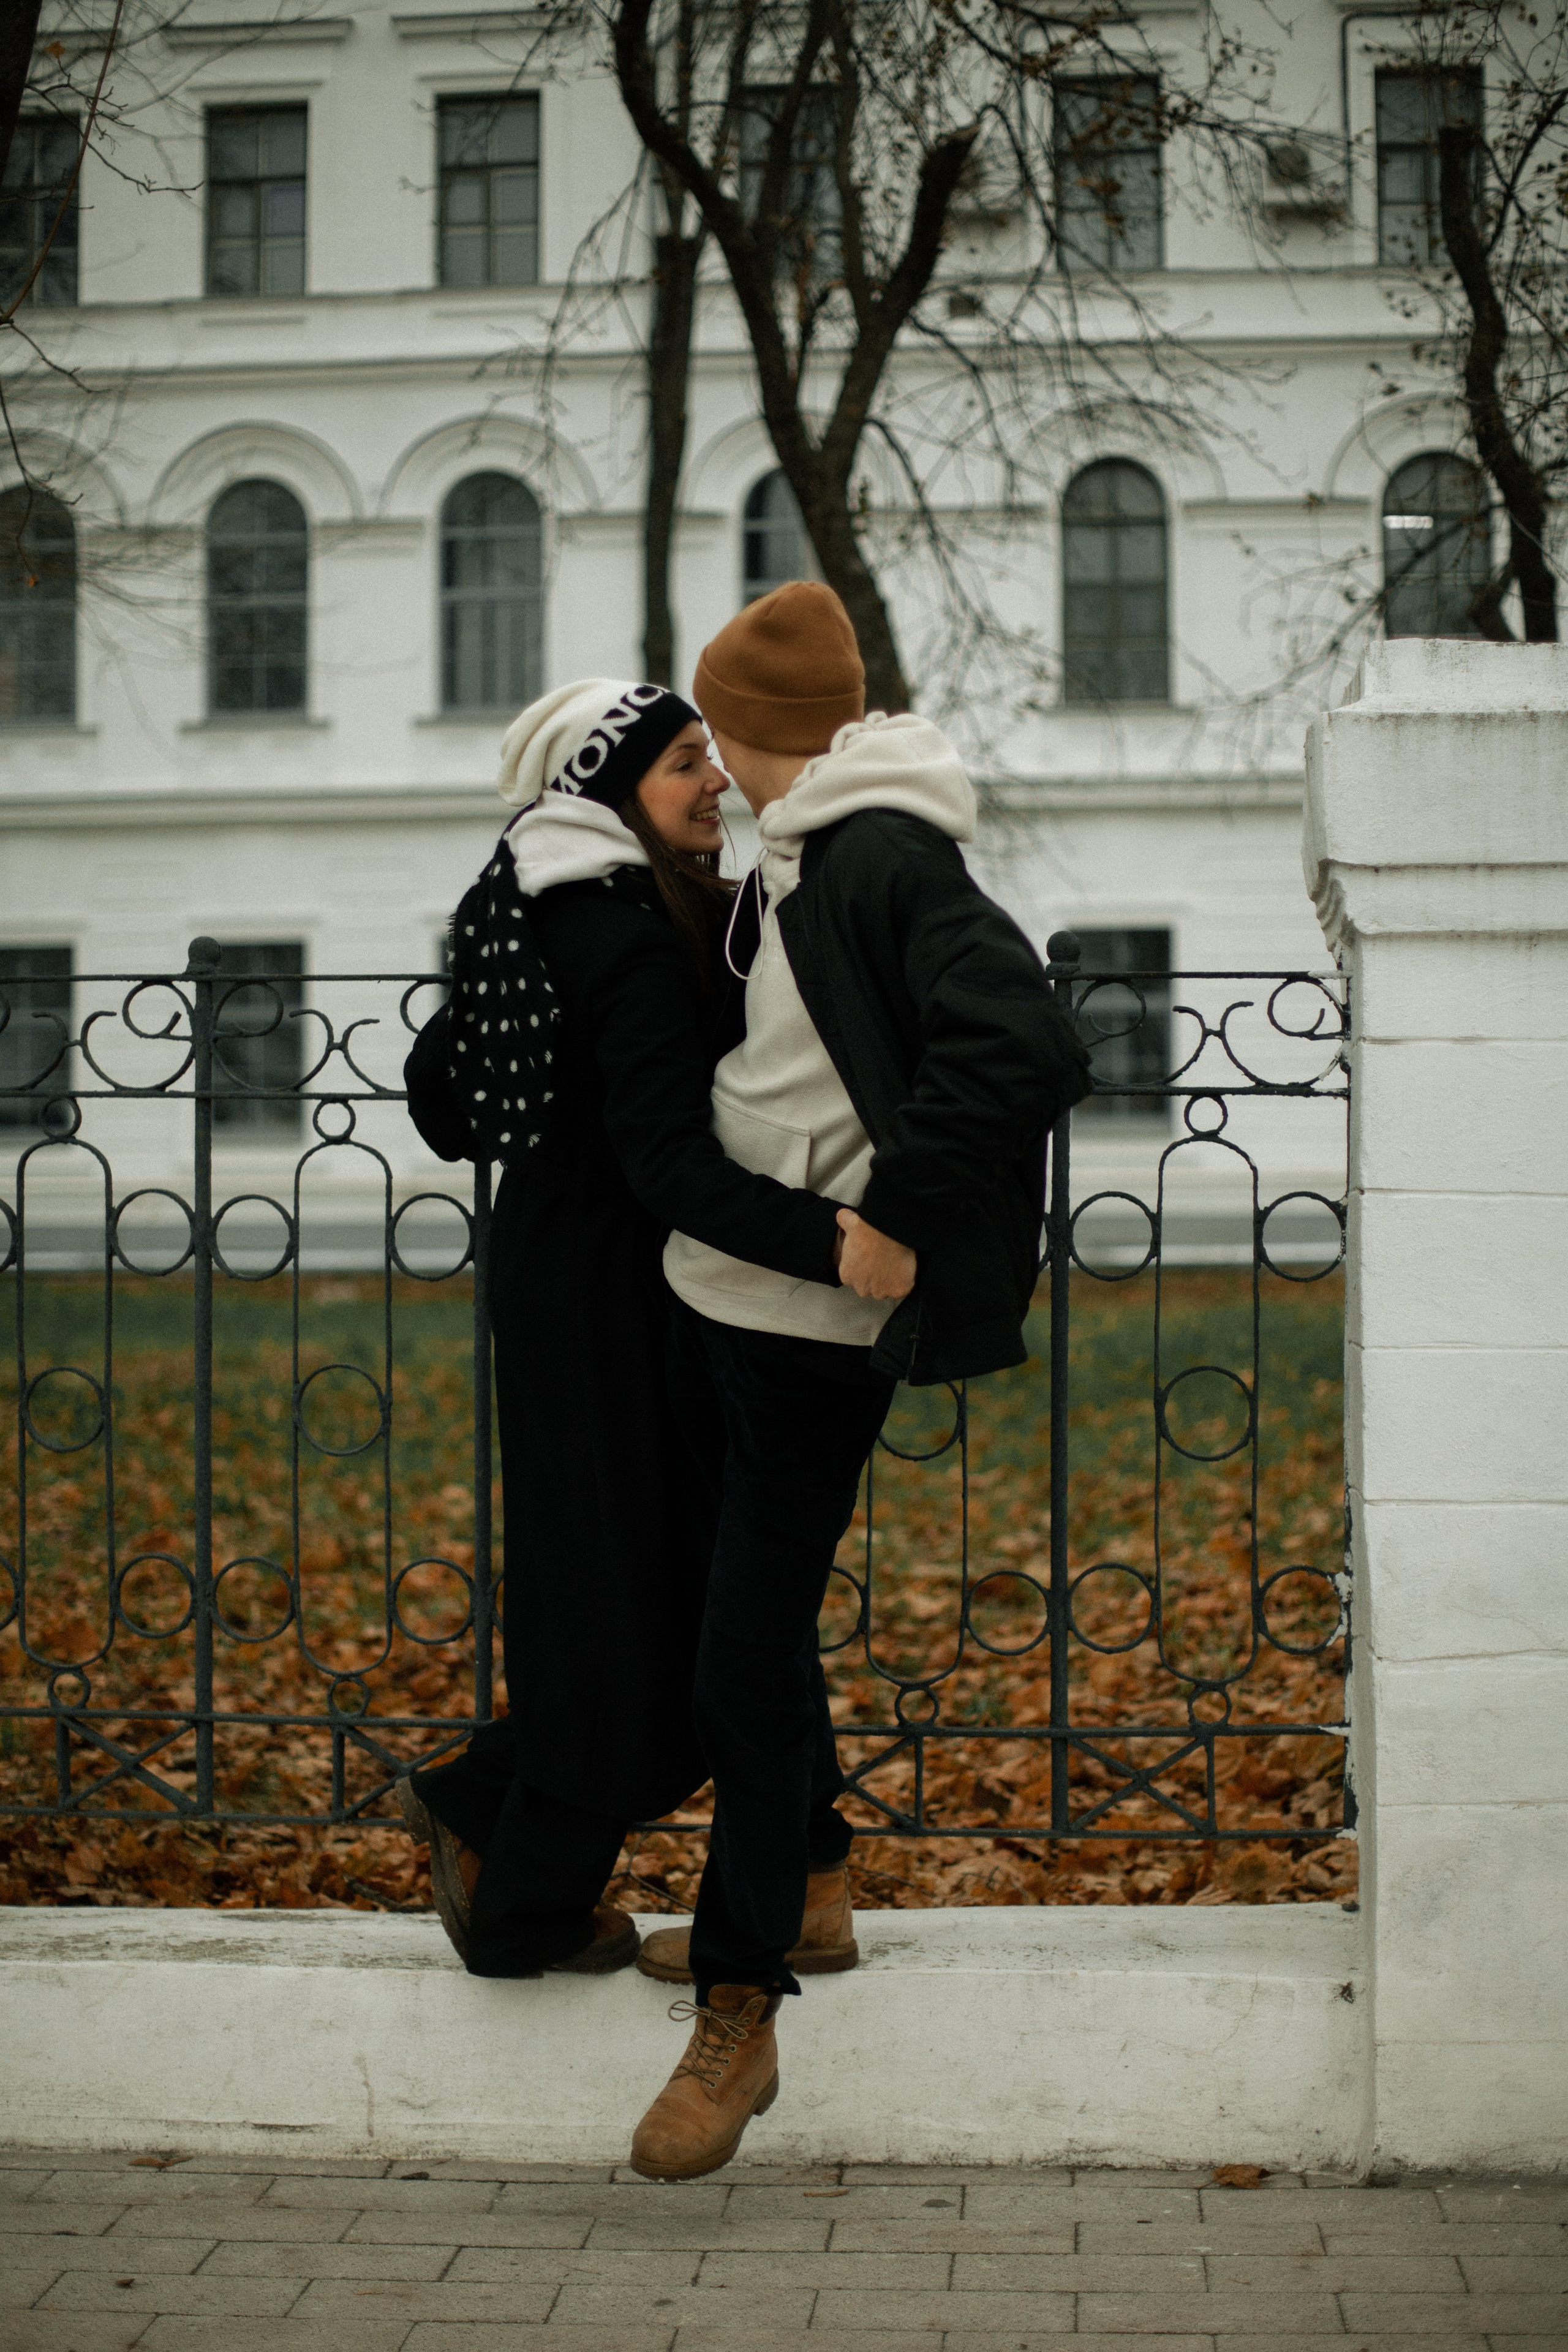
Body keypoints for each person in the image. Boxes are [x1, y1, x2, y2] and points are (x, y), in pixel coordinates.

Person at [627, 584, 1093, 2180]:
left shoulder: (882, 850)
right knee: (736, 1632)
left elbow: (1020, 1041)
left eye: (716, 733)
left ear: (760, 733)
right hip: (725, 1296)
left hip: (810, 1328)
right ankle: (810, 1886)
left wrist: (896, 1213)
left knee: (741, 1662)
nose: (709, 762)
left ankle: (740, 2004)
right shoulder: (804, 840)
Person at [398, 678, 861, 1980]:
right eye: (682, 764)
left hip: (563, 1286)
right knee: (666, 1605)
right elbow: (667, 1161)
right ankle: (517, 1865)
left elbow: (442, 1102)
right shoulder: (631, 942)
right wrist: (833, 1241)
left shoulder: (531, 909)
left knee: (653, 1593)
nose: (713, 783)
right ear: (611, 790)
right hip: (631, 1305)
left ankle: (776, 1873)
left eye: (711, 757)